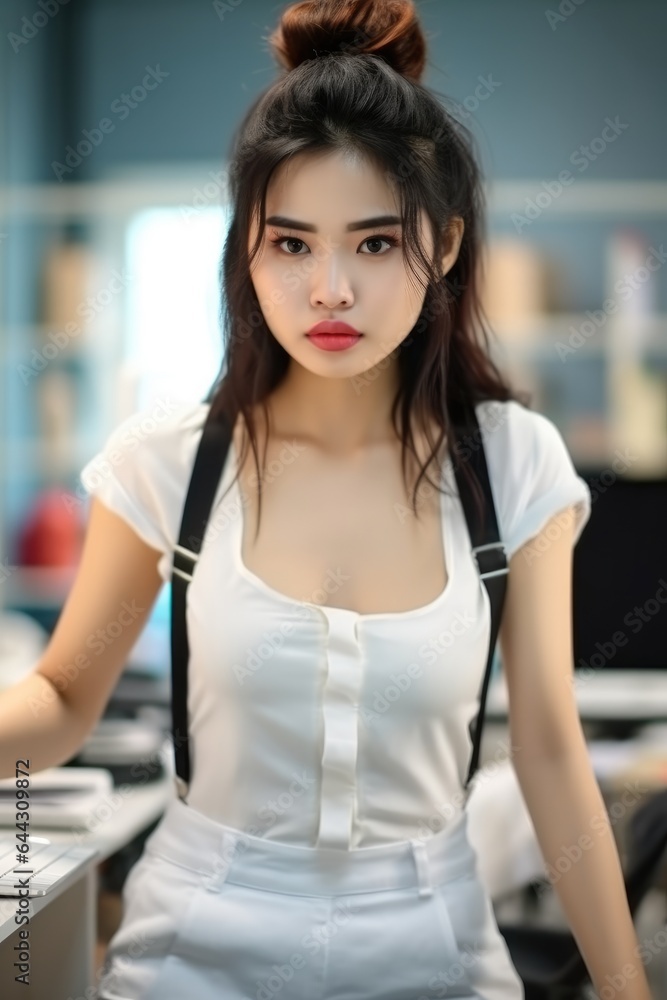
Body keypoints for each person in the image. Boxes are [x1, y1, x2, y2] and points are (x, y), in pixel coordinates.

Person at [0, 1, 654, 998]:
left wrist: (626, 988)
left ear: (441, 245)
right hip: (191, 960)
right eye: (291, 244)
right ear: (246, 255)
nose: (330, 290)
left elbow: (549, 750)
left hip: (436, 958)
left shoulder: (512, 464)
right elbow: (60, 701)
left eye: (375, 244)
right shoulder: (167, 462)